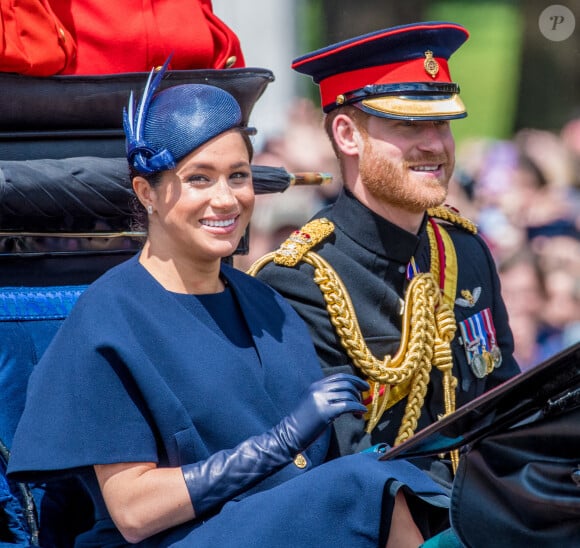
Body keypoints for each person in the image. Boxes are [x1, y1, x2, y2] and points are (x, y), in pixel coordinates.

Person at [7, 62, 449, 546]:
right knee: (368, 489)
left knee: (426, 491)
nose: (227, 199)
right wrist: (277, 444)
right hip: (170, 539)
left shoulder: (268, 304)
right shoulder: (109, 316)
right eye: (199, 178)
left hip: (271, 525)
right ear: (146, 193)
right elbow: (134, 510)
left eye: (238, 176)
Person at [251, 22, 521, 483]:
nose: (435, 143)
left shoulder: (465, 250)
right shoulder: (300, 279)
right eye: (408, 124)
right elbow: (346, 464)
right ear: (347, 135)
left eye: (442, 123)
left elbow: (507, 408)